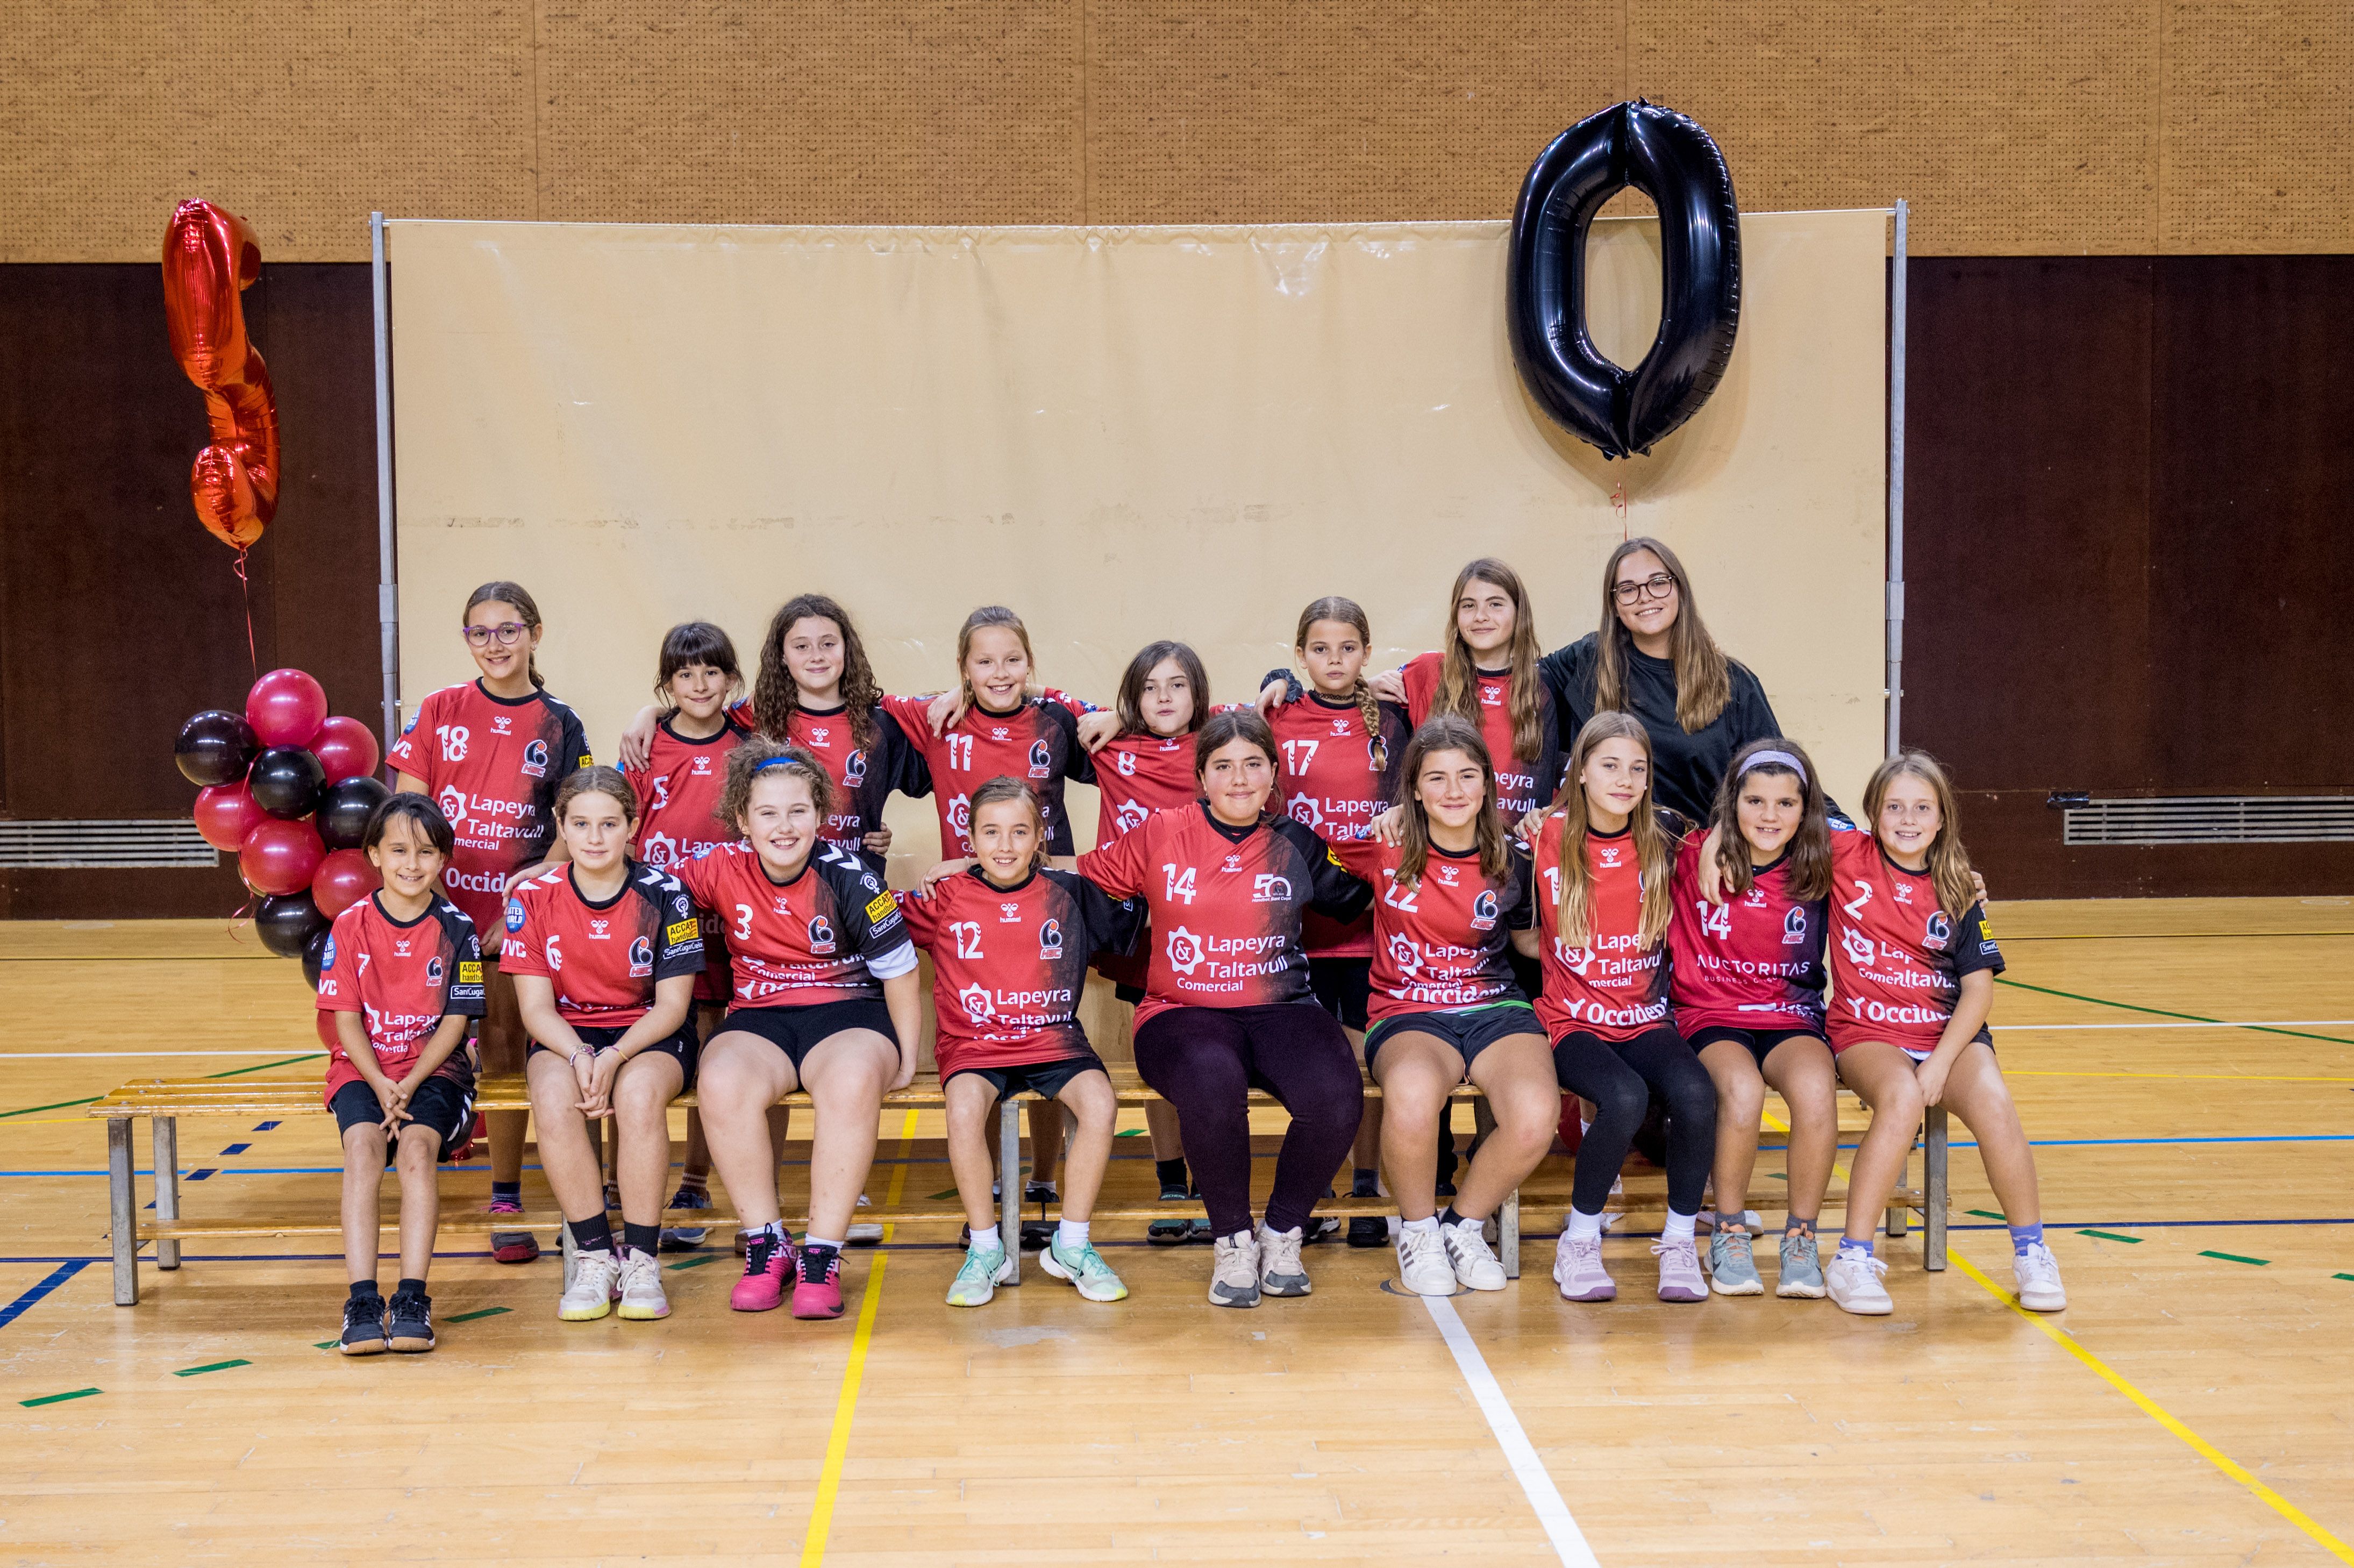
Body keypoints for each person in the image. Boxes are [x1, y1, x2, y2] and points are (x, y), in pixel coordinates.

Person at [1065, 710, 1372, 1307]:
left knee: (1336, 1095)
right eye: (1223, 766)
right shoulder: (1161, 832)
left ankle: (1280, 1235)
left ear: (1274, 774)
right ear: (1201, 776)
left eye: (1253, 764)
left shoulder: (1296, 842)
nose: (1239, 779)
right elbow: (1077, 876)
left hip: (1283, 1007)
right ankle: (1232, 1240)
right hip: (1180, 1012)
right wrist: (972, 871)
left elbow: (1363, 893)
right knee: (1212, 1081)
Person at [669, 741, 925, 1320]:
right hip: (760, 1016)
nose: (783, 827)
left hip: (848, 1013)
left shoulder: (851, 878)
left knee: (854, 1080)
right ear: (742, 818)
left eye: (797, 812)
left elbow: (902, 974)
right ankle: (767, 1246)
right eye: (767, 813)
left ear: (819, 815)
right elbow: (648, 896)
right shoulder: (717, 869)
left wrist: (907, 1060)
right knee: (720, 1080)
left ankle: (822, 1254)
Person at [1813, 751, 2062, 1316]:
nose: (1907, 818)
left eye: (1921, 808)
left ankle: (2032, 1252)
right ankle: (1851, 1258)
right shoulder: (1844, 855)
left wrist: (1942, 1064)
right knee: (1899, 1098)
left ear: (1942, 817)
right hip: (1867, 1030)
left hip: (1945, 1033)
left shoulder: (1957, 886)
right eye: (1894, 806)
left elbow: (1978, 991)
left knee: (1995, 1103)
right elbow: (1789, 801)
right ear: (1872, 814)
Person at [388, 580, 591, 1267]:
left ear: (535, 633)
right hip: (437, 914)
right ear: (467, 640)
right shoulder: (441, 709)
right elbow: (407, 820)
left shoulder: (559, 723)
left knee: (506, 1052)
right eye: (481, 632)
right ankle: (401, 1166)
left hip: (513, 926)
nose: (495, 645)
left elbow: (577, 817)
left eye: (508, 630)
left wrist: (527, 894)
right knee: (421, 1047)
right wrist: (430, 895)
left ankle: (506, 1195)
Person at [1328, 716, 1553, 1295]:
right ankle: (1419, 1231)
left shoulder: (1515, 855)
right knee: (1411, 1097)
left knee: (1533, 1117)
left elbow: (1534, 933)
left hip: (1494, 1008)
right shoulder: (1385, 844)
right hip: (1407, 1011)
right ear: (1415, 790)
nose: (1453, 791)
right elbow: (1297, 847)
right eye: (1436, 778)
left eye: (1466, 776)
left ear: (1486, 785)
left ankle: (1462, 1226)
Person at [901, 778, 1143, 1306]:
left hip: (1053, 1040)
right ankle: (986, 1249)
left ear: (1039, 838)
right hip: (974, 1046)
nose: (1004, 845)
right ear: (970, 839)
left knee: (1100, 1104)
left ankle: (1072, 1244)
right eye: (990, 833)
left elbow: (1145, 900)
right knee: (964, 1109)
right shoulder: (942, 896)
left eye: (1018, 832)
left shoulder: (1069, 892)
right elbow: (868, 915)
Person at [503, 768, 705, 1322]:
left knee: (639, 1097)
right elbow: (535, 1010)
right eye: (582, 824)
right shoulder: (534, 897)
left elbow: (672, 1008)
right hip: (567, 1034)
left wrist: (613, 1057)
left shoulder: (666, 895)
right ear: (560, 827)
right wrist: (578, 1056)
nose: (595, 838)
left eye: (609, 824)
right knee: (553, 1097)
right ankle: (594, 1257)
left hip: (648, 1034)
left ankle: (642, 1260)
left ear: (632, 827)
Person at [1528, 712, 1716, 1305]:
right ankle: (1580, 1239)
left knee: (1694, 1093)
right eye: (1609, 765)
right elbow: (1514, 927)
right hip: (1570, 1019)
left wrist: (1709, 849)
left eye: (1637, 768)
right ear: (1579, 772)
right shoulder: (1541, 837)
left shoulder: (1668, 837)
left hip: (1643, 1017)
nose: (1625, 779)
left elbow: (1755, 837)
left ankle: (1681, 1240)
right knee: (1626, 1096)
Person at [1256, 597, 1411, 1245]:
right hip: (1302, 922)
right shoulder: (1276, 714)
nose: (1334, 660)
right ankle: (1316, 1184)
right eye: (1319, 650)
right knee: (1314, 1066)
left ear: (1367, 653)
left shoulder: (1397, 721)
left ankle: (1368, 1186)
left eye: (1347, 648)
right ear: (1300, 656)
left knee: (1369, 1063)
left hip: (1373, 918)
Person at [315, 793, 487, 1356]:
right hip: (364, 1070)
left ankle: (412, 1297)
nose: (412, 864)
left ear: (443, 861)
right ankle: (362, 1300)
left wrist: (409, 1083)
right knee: (363, 1150)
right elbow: (345, 1020)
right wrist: (381, 1081)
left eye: (427, 852)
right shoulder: (350, 925)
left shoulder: (456, 929)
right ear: (373, 855)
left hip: (434, 1072)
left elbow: (456, 1022)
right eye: (398, 851)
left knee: (416, 1151)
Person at [1667, 738, 1838, 1300]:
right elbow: (1619, 815)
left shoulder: (1827, 859)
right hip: (1710, 1012)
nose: (1769, 816)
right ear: (1730, 803)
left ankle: (1801, 1238)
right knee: (1739, 1090)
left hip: (1790, 1014)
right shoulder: (1690, 852)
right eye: (1755, 801)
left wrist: (1968, 884)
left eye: (1785, 804)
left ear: (1804, 809)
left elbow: (1907, 852)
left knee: (1816, 1091)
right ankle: (1730, 1230)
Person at [1539, 537, 1824, 825]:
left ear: (1680, 589)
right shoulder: (1589, 660)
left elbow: (1780, 772)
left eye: (1659, 582)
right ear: (1613, 605)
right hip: (1610, 856)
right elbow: (1511, 684)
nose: (1645, 596)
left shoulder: (1731, 682)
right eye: (1628, 589)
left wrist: (1844, 833)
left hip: (1702, 852)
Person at [622, 622, 752, 1250]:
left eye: (711, 672)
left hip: (731, 931)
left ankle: (698, 1181)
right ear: (666, 683)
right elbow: (623, 831)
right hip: (659, 930)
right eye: (684, 675)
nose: (699, 685)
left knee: (714, 1053)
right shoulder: (645, 750)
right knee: (647, 1051)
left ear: (731, 679)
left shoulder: (752, 743)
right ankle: (631, 1184)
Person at [1083, 640, 1218, 1244]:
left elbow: (1276, 704)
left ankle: (1218, 1177)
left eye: (1178, 685)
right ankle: (1170, 1178)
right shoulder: (1111, 747)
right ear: (1132, 698)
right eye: (1150, 688)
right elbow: (1028, 705)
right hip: (1145, 935)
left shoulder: (1220, 746)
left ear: (1199, 694)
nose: (1164, 698)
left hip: (1216, 930)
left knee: (1215, 1057)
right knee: (1160, 1056)